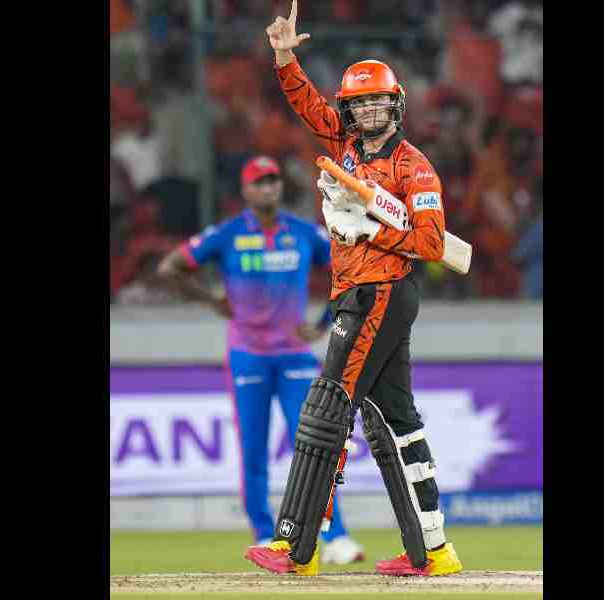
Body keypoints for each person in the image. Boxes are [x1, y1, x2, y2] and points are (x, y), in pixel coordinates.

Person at [244, 0, 463, 578]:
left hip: (382, 292)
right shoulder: (341, 142)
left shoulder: (413, 168)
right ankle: (433, 550)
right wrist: (285, 57)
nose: (367, 111)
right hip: (357, 292)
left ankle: (298, 545)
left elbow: (433, 244)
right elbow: (305, 103)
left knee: (328, 406)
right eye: (358, 103)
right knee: (396, 420)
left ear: (397, 106)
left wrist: (374, 227)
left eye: (377, 101)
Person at [157, 155, 366, 565]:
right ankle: (265, 535)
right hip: (248, 357)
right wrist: (212, 301)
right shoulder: (229, 234)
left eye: (273, 181)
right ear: (246, 190)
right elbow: (170, 268)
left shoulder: (305, 233)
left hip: (295, 359)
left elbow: (349, 268)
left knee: (314, 447)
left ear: (279, 188)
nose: (268, 188)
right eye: (260, 182)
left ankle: (336, 535)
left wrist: (325, 321)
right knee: (253, 452)